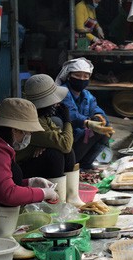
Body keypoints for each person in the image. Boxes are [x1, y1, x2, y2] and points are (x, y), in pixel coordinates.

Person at [0, 98, 60, 259]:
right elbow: (8, 194)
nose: (28, 136)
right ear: (15, 130)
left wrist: (32, 182)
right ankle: (3, 240)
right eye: (27, 132)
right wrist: (43, 193)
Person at [17, 74, 84, 206]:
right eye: (54, 102)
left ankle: (71, 198)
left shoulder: (43, 118)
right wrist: (67, 121)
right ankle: (57, 203)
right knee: (55, 155)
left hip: (30, 163)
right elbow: (65, 143)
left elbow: (62, 141)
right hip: (19, 171)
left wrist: (46, 144)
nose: (57, 104)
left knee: (66, 152)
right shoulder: (34, 121)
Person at [55, 58, 115, 169]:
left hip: (80, 137)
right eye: (78, 75)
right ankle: (72, 164)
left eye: (85, 76)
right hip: (66, 138)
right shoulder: (62, 92)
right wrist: (87, 123)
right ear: (69, 76)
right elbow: (71, 115)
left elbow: (97, 109)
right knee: (96, 131)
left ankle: (85, 164)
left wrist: (99, 119)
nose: (82, 79)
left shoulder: (87, 95)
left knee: (106, 129)